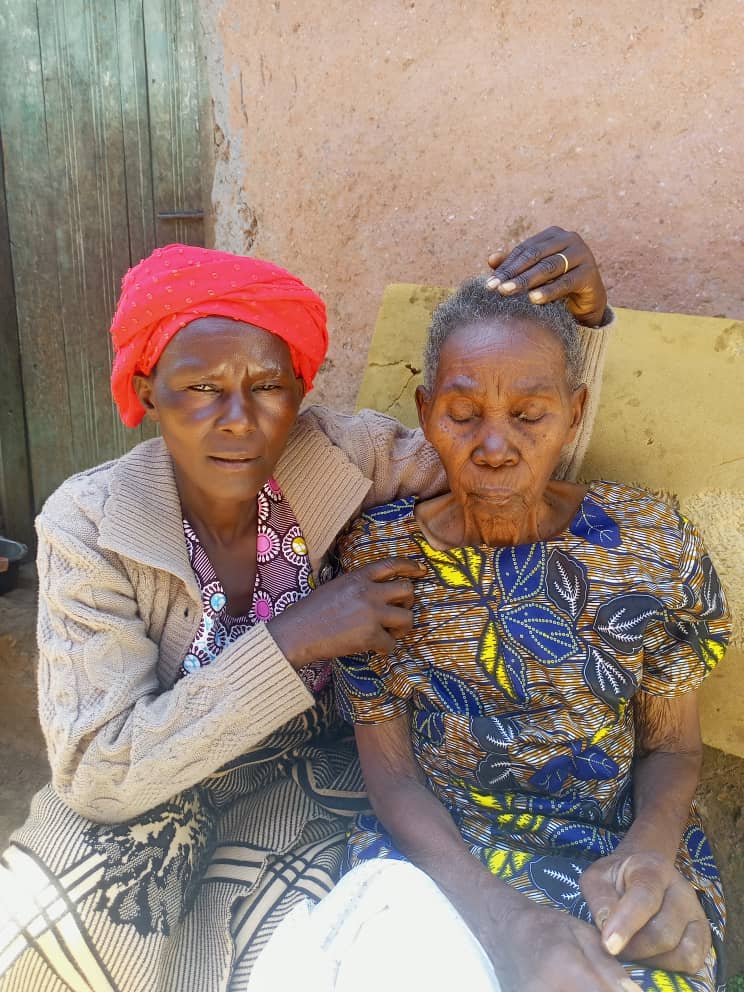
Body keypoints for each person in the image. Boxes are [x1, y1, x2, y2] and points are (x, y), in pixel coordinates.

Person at [0, 229, 612, 991]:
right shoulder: (89, 525)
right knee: (51, 938)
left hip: (304, 782)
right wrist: (292, 639)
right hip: (136, 794)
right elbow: (98, 771)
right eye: (199, 387)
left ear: (299, 391)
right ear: (149, 385)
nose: (237, 417)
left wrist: (587, 331)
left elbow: (504, 471)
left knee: (258, 953)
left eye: (267, 385)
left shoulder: (339, 456)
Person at [252, 280, 730, 992]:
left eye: (531, 414)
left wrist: (649, 857)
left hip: (618, 856)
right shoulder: (380, 559)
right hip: (438, 861)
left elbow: (672, 743)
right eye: (464, 413)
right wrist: (506, 922)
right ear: (426, 413)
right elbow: (393, 776)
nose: (495, 445)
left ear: (575, 413)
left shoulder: (651, 545)